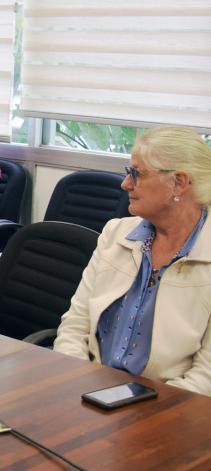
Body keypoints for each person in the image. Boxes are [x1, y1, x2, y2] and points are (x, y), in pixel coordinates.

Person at [54, 126, 211, 397]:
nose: (126, 183)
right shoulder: (116, 233)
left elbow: (204, 377)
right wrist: (76, 383)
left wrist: (145, 414)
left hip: (168, 409)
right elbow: (76, 324)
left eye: (136, 174)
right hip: (88, 389)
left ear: (179, 182)